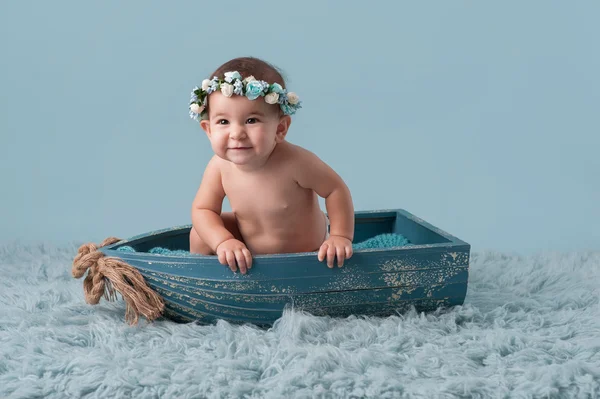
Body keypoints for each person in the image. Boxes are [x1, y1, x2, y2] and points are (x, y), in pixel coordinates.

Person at [188, 57, 354, 274]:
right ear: (208, 130)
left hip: (307, 253)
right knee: (200, 232)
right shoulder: (218, 167)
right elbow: (203, 209)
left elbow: (335, 189)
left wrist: (340, 236)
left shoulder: (296, 162)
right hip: (251, 251)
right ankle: (205, 277)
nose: (236, 134)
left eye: (251, 121)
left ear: (280, 129)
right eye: (223, 122)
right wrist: (224, 241)